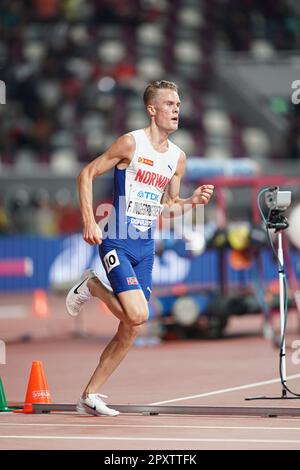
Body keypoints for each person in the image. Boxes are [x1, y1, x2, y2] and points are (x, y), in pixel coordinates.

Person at [66, 80, 214, 416]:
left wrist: (191, 201)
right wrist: (89, 221)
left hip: (146, 246)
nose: (177, 110)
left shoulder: (178, 158)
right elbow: (86, 174)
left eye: (178, 104)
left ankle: (89, 395)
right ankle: (90, 283)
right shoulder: (130, 143)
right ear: (152, 109)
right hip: (117, 235)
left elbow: (169, 205)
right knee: (138, 315)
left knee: (131, 328)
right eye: (170, 104)